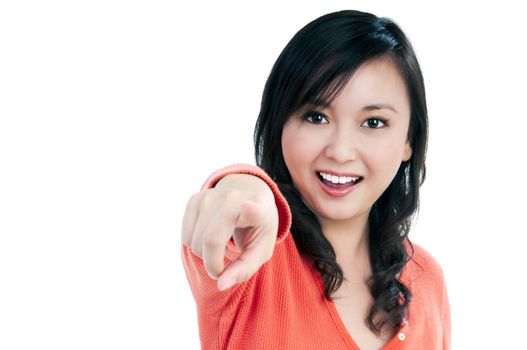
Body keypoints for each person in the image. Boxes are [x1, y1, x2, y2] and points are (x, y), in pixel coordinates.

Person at [181, 9, 450, 350]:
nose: (340, 151)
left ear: (409, 140)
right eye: (316, 116)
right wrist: (245, 190)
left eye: (374, 122)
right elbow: (234, 203)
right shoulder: (250, 255)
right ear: (280, 126)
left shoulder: (427, 280)